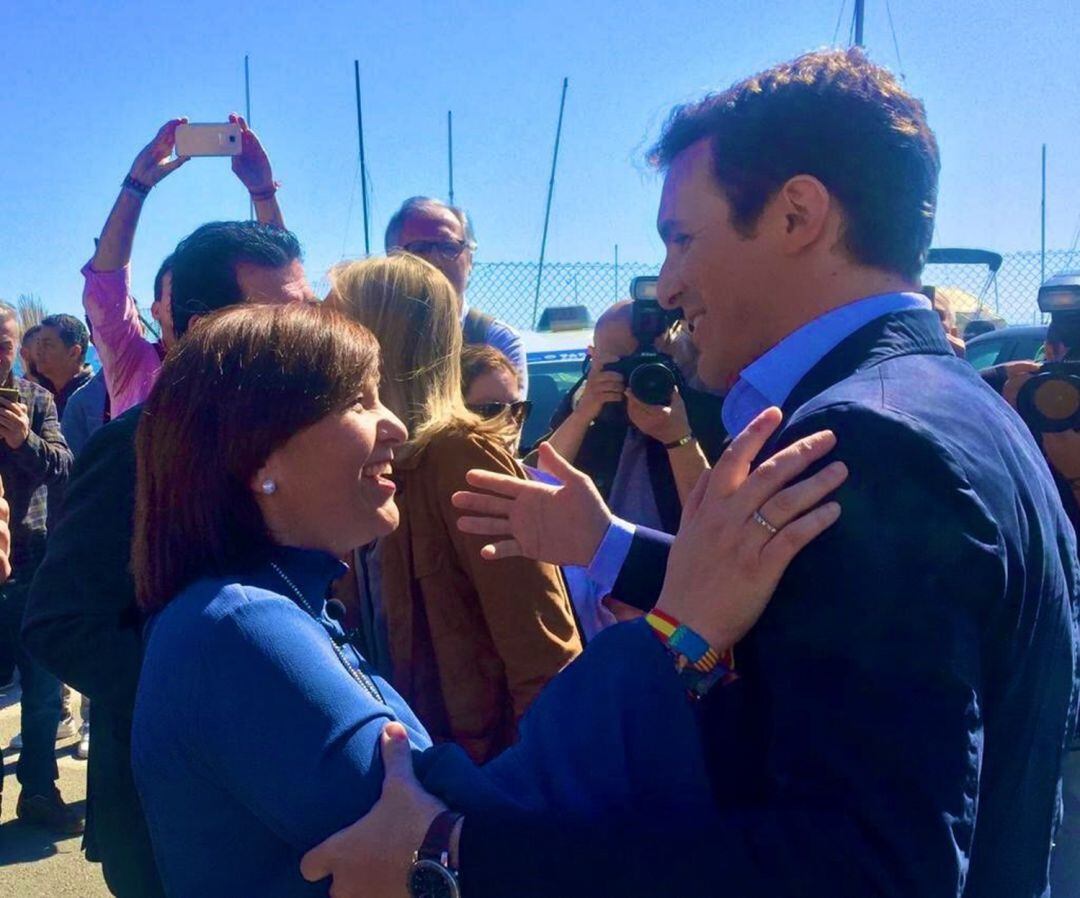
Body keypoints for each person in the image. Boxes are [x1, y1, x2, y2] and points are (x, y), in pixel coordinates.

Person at [308, 48, 1080, 898]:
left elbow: (859, 870)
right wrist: (612, 546)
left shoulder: (867, 443)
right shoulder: (963, 411)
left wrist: (459, 853)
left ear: (797, 216)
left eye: (682, 239)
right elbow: (806, 604)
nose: (669, 286)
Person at [129, 301, 844, 898]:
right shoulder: (243, 628)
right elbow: (475, 828)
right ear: (260, 457)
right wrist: (677, 633)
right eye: (358, 400)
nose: (396, 426)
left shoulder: (277, 605)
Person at [22, 219, 315, 898]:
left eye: (310, 316)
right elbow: (60, 624)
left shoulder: (295, 438)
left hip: (282, 804)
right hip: (170, 825)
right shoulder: (137, 451)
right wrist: (207, 691)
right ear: (209, 328)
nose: (308, 339)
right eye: (281, 320)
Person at [328, 255, 580, 764]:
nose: (325, 341)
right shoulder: (370, 464)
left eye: (340, 323)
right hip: (414, 774)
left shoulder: (460, 456)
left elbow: (543, 650)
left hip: (481, 779)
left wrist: (530, 793)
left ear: (381, 338)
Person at [82, 114, 285, 417]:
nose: (196, 301)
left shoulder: (250, 364)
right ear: (155, 309)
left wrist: (263, 192)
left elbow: (283, 289)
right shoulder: (133, 363)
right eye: (180, 292)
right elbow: (105, 291)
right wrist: (136, 185)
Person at [537, 300, 725, 532]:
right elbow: (540, 484)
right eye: (623, 363)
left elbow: (714, 527)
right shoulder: (588, 410)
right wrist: (583, 414)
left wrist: (678, 439)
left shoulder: (713, 411)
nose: (639, 373)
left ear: (678, 356)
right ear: (594, 359)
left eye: (653, 361)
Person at [0, 302, 76, 833]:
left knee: (44, 690)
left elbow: (65, 467)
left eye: (4, 342)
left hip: (33, 566)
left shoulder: (36, 399)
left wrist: (22, 440)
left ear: (17, 348)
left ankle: (39, 791)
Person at [385, 197, 528, 393]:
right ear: (391, 261)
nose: (435, 261)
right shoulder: (374, 338)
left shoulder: (497, 341)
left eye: (449, 247)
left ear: (470, 259)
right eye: (420, 249)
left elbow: (504, 423)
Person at [35, 314, 93, 419]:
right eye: (38, 344)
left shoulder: (95, 398)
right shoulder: (40, 394)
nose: (38, 351)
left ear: (74, 353)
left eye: (47, 345)